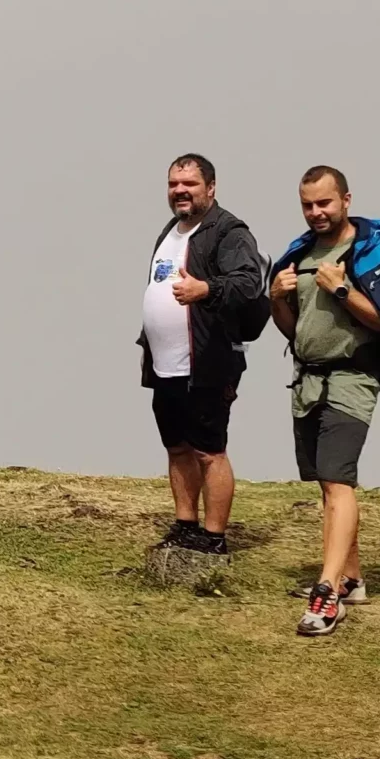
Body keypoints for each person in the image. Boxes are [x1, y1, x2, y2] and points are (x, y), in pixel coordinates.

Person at [266, 165, 380, 638]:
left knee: (339, 481)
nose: (316, 212)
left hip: (352, 380)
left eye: (325, 203)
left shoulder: (375, 254)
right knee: (327, 482)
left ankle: (328, 593)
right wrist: (277, 299)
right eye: (308, 205)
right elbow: (294, 330)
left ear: (346, 199)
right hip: (306, 383)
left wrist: (340, 288)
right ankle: (352, 577)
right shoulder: (298, 254)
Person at [137, 154, 267, 558]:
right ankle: (185, 525)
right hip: (164, 363)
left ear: (210, 187)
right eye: (174, 184)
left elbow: (248, 283)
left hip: (208, 361)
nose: (180, 191)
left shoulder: (229, 232)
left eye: (189, 184)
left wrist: (205, 290)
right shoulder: (169, 231)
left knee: (209, 449)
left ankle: (214, 536)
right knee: (176, 445)